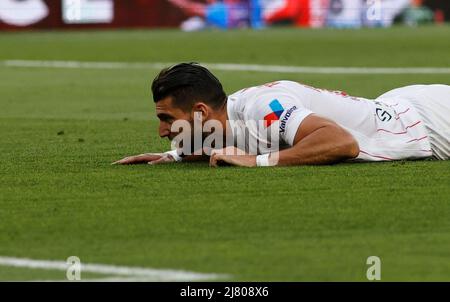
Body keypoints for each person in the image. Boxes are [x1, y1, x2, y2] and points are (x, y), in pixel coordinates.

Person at [113, 63, 449, 167]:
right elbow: (224, 141)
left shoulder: (263, 108)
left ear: (200, 111)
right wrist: (174, 157)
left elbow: (342, 143)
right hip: (398, 104)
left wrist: (258, 163)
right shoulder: (230, 114)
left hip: (432, 121)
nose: (162, 130)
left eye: (167, 119)